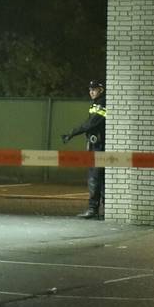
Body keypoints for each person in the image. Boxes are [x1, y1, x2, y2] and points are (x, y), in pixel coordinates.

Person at [62, 79, 107, 219]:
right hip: (96, 144)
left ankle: (93, 210)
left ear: (101, 90)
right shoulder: (96, 103)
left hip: (99, 146)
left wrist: (72, 133)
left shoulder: (102, 103)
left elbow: (91, 124)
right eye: (90, 89)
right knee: (101, 178)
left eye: (94, 89)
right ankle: (104, 210)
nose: (91, 92)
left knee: (95, 178)